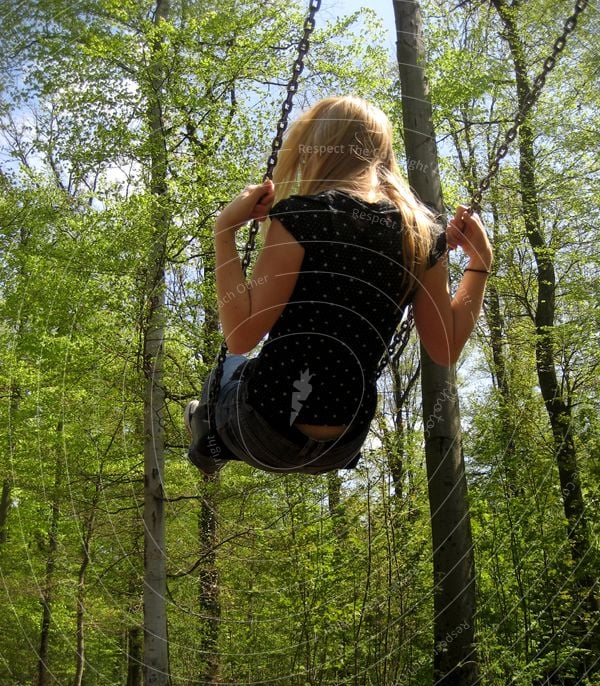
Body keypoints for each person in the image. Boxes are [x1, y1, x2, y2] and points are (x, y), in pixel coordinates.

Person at [185, 96, 492, 475]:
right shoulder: (421, 235)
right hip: (341, 447)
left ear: (314, 150)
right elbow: (444, 349)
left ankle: (208, 438)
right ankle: (217, 438)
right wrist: (479, 266)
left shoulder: (303, 216)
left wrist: (224, 233)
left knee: (227, 367)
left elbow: (241, 335)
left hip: (263, 430)